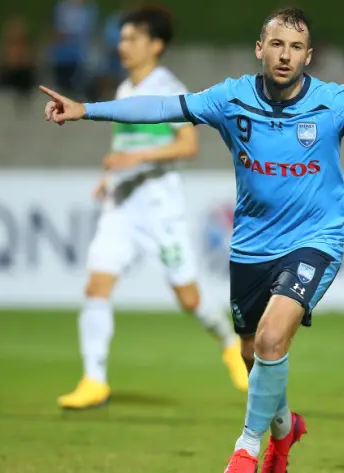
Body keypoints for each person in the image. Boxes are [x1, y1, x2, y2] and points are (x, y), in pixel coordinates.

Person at [39, 7, 344, 472]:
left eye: (296, 47)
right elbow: (162, 108)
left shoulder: (331, 101)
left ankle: (246, 447)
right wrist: (86, 111)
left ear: (308, 56)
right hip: (251, 246)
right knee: (252, 354)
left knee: (271, 338)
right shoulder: (232, 98)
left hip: (314, 239)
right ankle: (284, 430)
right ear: (260, 49)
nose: (285, 55)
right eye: (277, 45)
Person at [57, 5, 249, 410]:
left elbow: (188, 145)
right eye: (122, 38)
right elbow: (125, 146)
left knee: (189, 299)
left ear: (156, 45)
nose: (122, 46)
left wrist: (136, 159)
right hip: (122, 208)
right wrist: (110, 176)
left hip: (160, 211)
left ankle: (230, 343)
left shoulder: (168, 87)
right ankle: (94, 380)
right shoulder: (125, 89)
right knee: (96, 286)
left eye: (132, 38)